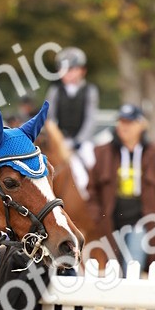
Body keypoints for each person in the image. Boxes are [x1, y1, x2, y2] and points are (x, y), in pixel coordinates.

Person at [87, 103, 155, 274]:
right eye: (121, 122)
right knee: (113, 271)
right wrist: (97, 216)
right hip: (110, 223)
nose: (123, 127)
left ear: (141, 125)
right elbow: (92, 189)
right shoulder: (103, 153)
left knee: (132, 268)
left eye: (129, 122)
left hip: (140, 222)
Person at [45, 47, 99, 197]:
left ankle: (93, 198)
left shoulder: (90, 90)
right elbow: (50, 118)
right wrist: (59, 139)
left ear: (82, 70)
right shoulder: (55, 90)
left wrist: (79, 141)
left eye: (71, 69)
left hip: (82, 141)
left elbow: (90, 118)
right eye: (64, 70)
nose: (67, 73)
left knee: (92, 163)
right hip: (61, 139)